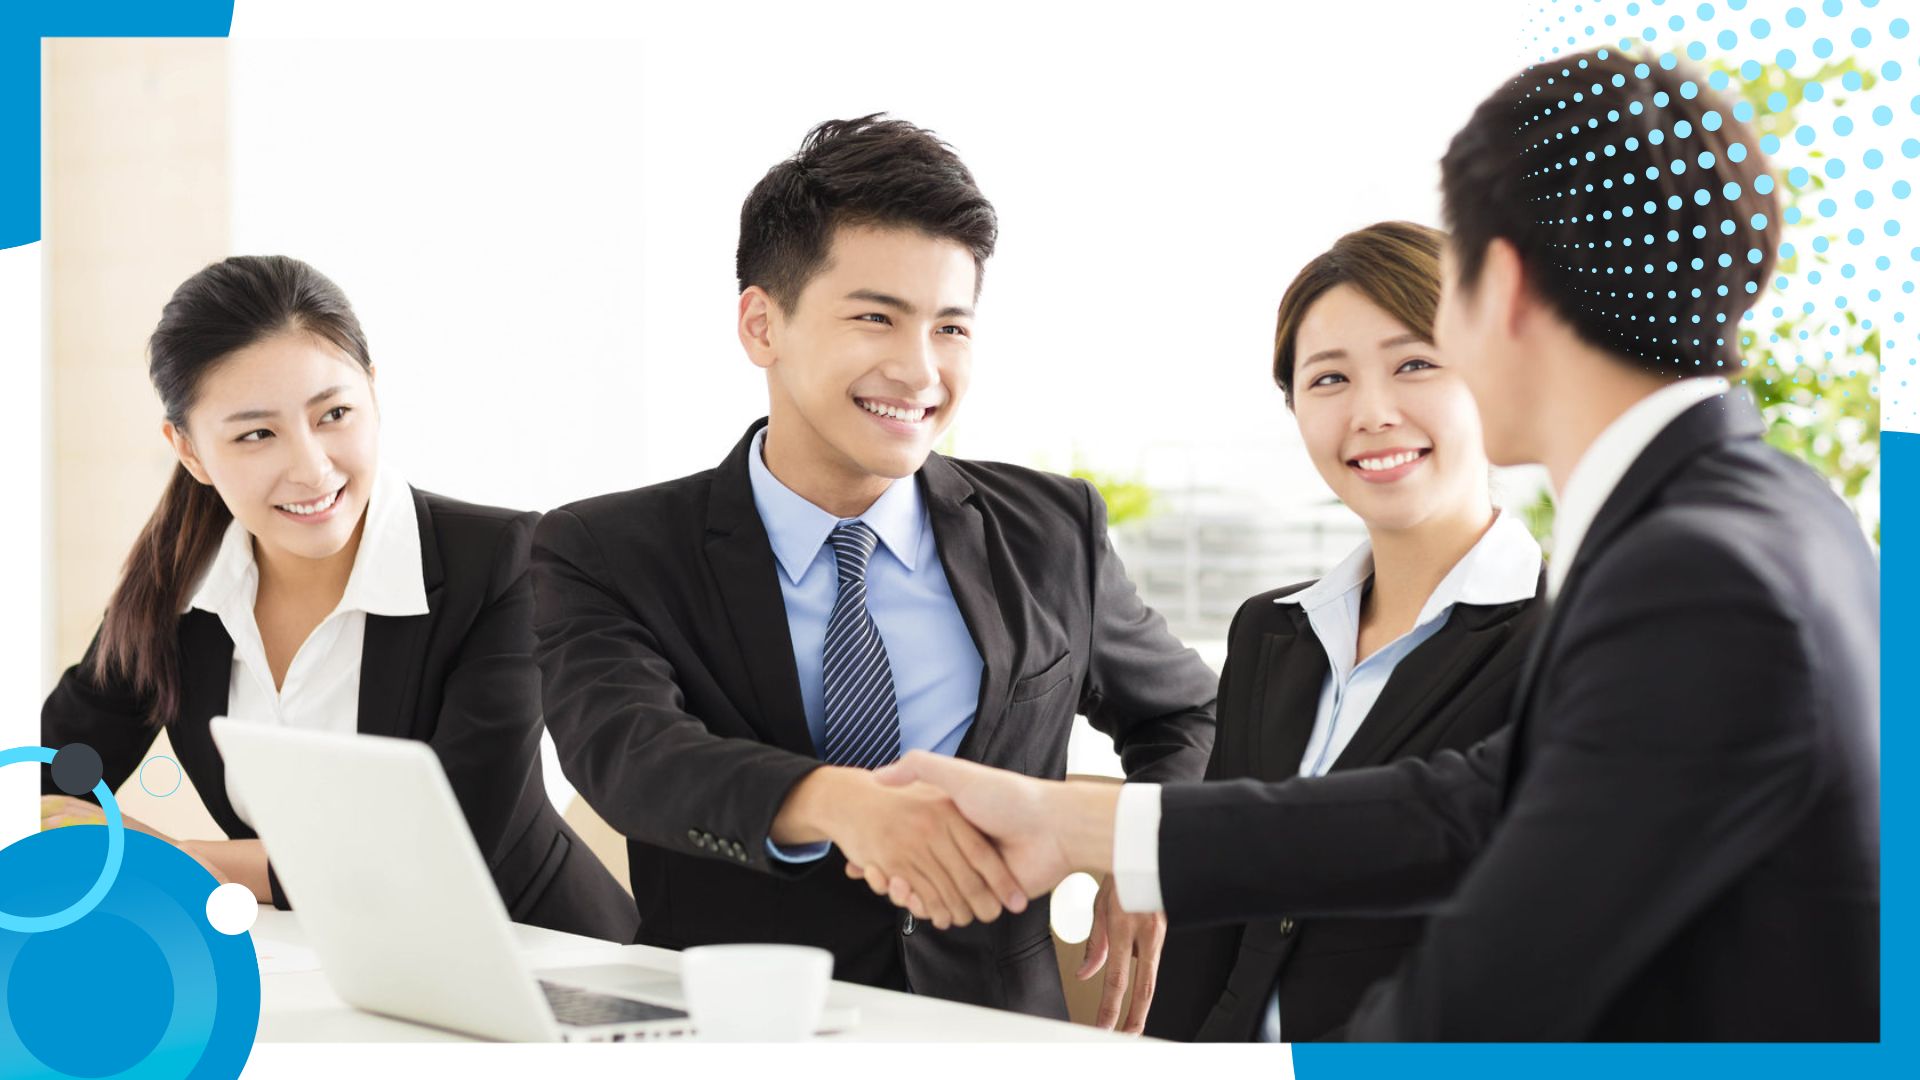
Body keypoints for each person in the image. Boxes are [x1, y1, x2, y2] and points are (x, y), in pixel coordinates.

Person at [871, 48, 1880, 1041]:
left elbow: (1486, 995)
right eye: (1331, 378)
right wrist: (1075, 825)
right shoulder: (1774, 515)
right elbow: (1474, 807)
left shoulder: (1693, 574)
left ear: (1505, 285)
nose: (1379, 408)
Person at [530, 115, 1217, 1024]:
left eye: (951, 327)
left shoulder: (1053, 530)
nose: (920, 368)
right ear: (760, 322)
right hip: (735, 1036)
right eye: (874, 317)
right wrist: (839, 804)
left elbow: (1184, 712)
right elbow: (631, 755)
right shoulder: (604, 549)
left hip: (991, 1038)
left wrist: (1145, 846)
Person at [41, 255, 637, 942]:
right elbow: (56, 771)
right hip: (322, 969)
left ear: (373, 395)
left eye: (334, 414)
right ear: (190, 451)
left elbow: (446, 846)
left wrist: (183, 861)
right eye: (256, 434)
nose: (312, 466)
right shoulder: (177, 589)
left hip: (542, 962)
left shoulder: (502, 562)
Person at [1148, 221, 1545, 1043]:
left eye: (1416, 364)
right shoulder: (1270, 631)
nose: (1371, 413)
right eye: (1328, 379)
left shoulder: (1571, 636)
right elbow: (1211, 921)